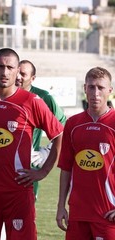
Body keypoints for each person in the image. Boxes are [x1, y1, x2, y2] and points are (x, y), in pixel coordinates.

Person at [0, 48, 63, 240]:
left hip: (18, 190)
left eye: (10, 67)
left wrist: (44, 171)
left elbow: (58, 134)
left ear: (17, 71)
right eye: (0, 66)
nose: (5, 72)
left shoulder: (31, 101)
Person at [56, 67, 115, 240]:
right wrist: (61, 206)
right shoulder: (73, 124)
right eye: (91, 87)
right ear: (85, 88)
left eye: (101, 88)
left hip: (107, 215)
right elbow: (66, 168)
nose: (95, 93)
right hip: (78, 214)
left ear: (110, 91)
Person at [17, 59, 66, 200]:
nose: (18, 77)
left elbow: (63, 125)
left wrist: (47, 152)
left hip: (28, 168)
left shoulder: (42, 97)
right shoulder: (2, 95)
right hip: (0, 167)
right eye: (17, 72)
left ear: (32, 79)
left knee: (25, 214)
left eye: (23, 74)